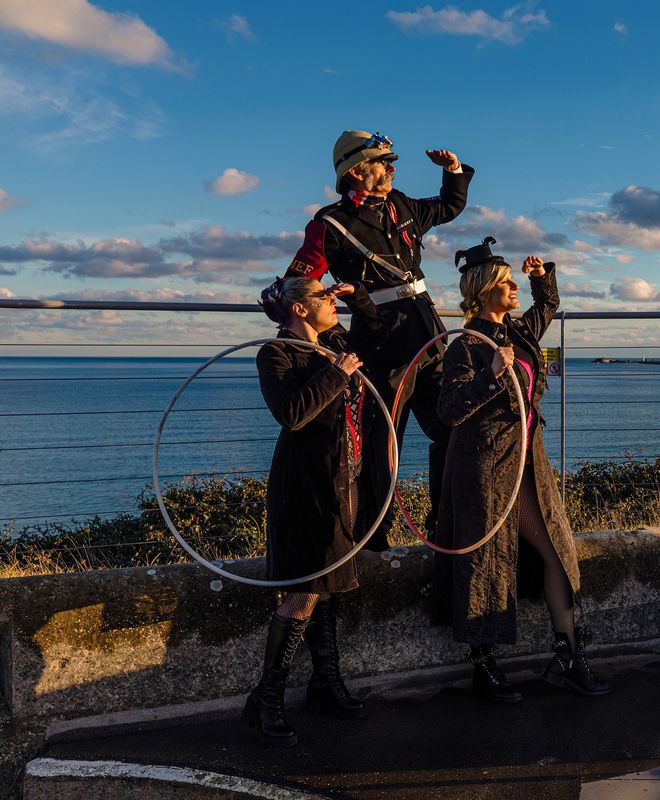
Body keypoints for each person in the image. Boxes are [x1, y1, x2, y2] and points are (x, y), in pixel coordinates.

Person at [435, 237, 612, 703]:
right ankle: (484, 665)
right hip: (484, 465)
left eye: (516, 281)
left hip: (529, 461)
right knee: (484, 564)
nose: (514, 286)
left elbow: (548, 303)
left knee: (556, 552)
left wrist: (540, 278)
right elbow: (449, 408)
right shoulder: (465, 345)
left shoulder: (520, 332)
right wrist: (491, 374)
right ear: (484, 289)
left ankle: (568, 657)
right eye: (508, 282)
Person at [286, 130, 474, 549]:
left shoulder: (402, 204)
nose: (391, 168)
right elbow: (299, 282)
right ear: (356, 171)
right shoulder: (329, 225)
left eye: (391, 162)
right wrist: (294, 311)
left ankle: (444, 522)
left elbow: (448, 206)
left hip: (429, 335)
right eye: (382, 162)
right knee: (383, 445)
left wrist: (453, 171)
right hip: (382, 339)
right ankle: (376, 538)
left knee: (451, 428)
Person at [243, 276, 386, 747]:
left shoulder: (336, 343)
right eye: (323, 297)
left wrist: (355, 295)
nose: (331, 302)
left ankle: (325, 681)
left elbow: (375, 328)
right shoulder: (277, 353)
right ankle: (268, 697)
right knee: (305, 589)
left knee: (327, 587)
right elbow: (292, 414)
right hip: (303, 485)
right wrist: (337, 373)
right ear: (300, 309)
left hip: (342, 479)